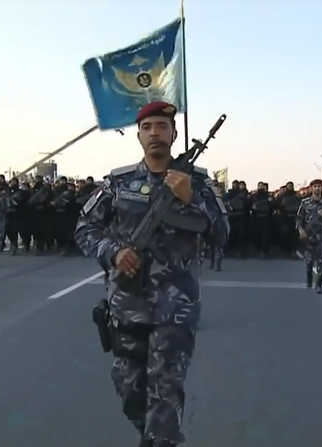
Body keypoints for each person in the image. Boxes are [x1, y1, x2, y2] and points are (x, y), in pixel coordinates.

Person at [74, 100, 229, 447]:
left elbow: (222, 235)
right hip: (126, 303)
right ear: (139, 136)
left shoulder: (198, 183)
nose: (155, 133)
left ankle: (160, 440)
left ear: (174, 133)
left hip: (176, 309)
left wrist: (191, 200)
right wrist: (113, 253)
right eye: (147, 128)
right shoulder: (118, 182)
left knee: (165, 396)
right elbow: (85, 228)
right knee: (130, 391)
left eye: (162, 126)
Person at [297, 179, 322, 292]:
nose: (317, 188)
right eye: (315, 186)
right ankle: (309, 279)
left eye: (319, 186)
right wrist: (300, 230)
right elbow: (299, 218)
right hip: (309, 236)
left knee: (321, 261)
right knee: (309, 262)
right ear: (311, 188)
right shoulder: (305, 202)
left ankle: (319, 285)